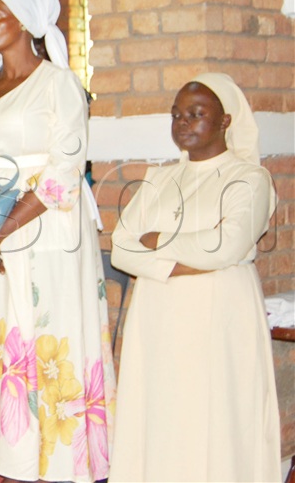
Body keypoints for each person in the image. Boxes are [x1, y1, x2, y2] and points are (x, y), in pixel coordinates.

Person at [0, 0, 114, 482]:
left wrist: (2, 228)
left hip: (42, 233)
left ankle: (59, 462)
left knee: (44, 336)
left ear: (27, 23)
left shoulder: (59, 84)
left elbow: (65, 169)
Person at [109, 73, 280, 481]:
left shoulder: (249, 179)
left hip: (219, 315)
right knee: (164, 416)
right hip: (159, 315)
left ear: (225, 121)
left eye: (196, 114)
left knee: (217, 418)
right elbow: (121, 246)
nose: (183, 122)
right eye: (177, 115)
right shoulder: (159, 178)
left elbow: (227, 245)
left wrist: (158, 242)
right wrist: (185, 256)